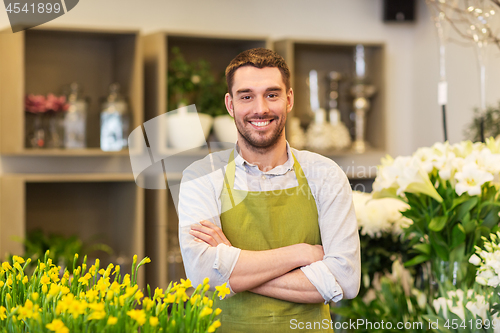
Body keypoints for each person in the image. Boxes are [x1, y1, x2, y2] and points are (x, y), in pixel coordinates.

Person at [178, 48, 360, 332]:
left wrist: (232, 265)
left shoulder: (325, 174)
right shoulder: (201, 176)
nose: (260, 109)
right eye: (246, 96)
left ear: (288, 99)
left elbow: (345, 279)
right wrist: (301, 253)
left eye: (272, 95)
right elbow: (203, 273)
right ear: (230, 104)